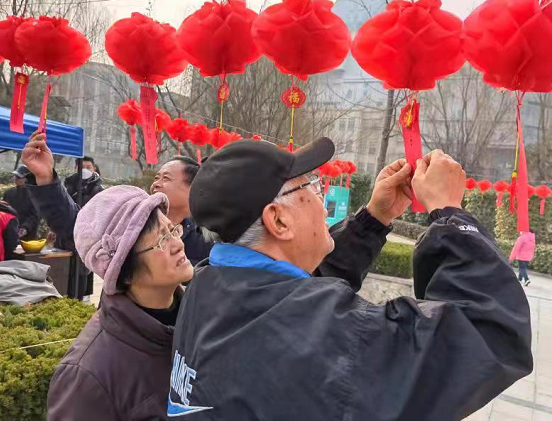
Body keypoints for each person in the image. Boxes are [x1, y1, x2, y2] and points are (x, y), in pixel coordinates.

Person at [169, 138, 532, 420]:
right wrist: (451, 213)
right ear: (278, 220)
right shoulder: (322, 335)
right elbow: (489, 331)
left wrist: (374, 218)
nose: (322, 197)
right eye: (309, 186)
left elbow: (296, 295)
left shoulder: (208, 284)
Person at [46, 185, 194, 419]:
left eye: (172, 230)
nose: (177, 244)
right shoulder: (88, 375)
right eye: (162, 240)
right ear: (124, 272)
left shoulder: (203, 319)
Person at [23, 132, 213, 269]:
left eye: (166, 179)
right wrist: (46, 179)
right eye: (156, 177)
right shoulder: (132, 223)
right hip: (119, 319)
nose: (156, 184)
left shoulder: (207, 239)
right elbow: (76, 225)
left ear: (192, 189)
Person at [3, 165, 39, 241]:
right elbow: (4, 212)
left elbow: (36, 215)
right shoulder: (8, 193)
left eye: (19, 177)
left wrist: (25, 228)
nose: (15, 178)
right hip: (9, 232)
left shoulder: (35, 195)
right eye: (15, 176)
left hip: (27, 235)